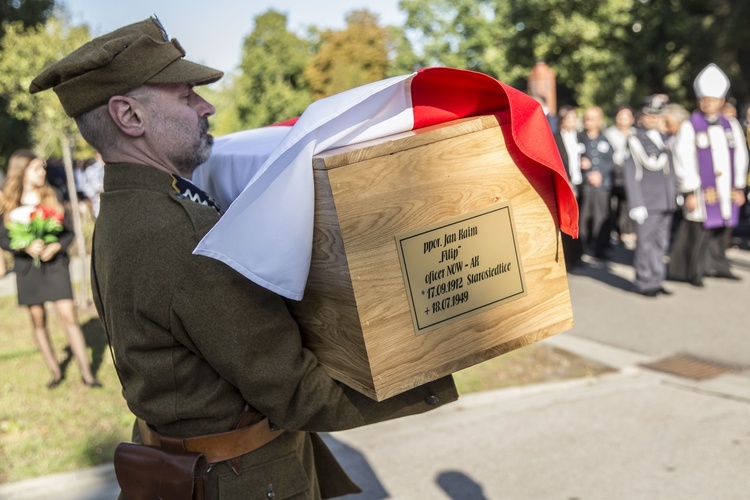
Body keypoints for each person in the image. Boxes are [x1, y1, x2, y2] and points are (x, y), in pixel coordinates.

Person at [30, 17, 457, 498]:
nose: (206, 106)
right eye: (186, 95)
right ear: (130, 117)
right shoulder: (182, 235)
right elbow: (296, 392)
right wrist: (433, 369)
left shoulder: (125, 209)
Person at [0, 150, 101, 389]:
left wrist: (57, 245)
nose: (43, 172)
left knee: (68, 315)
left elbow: (69, 232)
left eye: (43, 167)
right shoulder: (9, 202)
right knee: (38, 319)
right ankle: (55, 371)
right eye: (37, 168)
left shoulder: (52, 195)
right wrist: (23, 246)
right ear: (22, 172)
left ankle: (87, 373)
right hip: (28, 269)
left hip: (56, 264)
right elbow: (3, 238)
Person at [670, 63, 749, 286]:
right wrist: (689, 190)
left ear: (722, 101)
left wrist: (739, 187)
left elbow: (741, 155)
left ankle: (718, 265)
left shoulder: (731, 124)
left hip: (726, 188)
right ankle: (692, 270)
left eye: (713, 100)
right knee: (698, 230)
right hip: (701, 189)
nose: (708, 104)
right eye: (704, 100)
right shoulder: (690, 126)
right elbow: (682, 158)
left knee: (721, 229)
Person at [622, 96, 677, 297]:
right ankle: (644, 281)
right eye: (649, 115)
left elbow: (671, 170)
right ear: (641, 117)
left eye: (656, 115)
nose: (653, 119)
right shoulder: (635, 140)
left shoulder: (664, 139)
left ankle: (657, 278)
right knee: (645, 243)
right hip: (647, 201)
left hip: (665, 200)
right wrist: (636, 203)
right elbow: (630, 173)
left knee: (661, 243)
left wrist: (675, 195)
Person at [578, 106, 615, 259]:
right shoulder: (579, 137)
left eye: (592, 118)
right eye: (586, 118)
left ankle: (600, 247)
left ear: (599, 121)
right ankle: (582, 248)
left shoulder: (605, 139)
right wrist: (586, 171)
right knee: (583, 217)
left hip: (602, 185)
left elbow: (610, 161)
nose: (588, 121)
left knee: (601, 216)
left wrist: (600, 174)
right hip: (585, 185)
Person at [553, 105, 584, 268]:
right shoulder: (556, 138)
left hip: (581, 183)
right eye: (569, 118)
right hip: (567, 184)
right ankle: (569, 258)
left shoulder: (580, 136)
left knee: (580, 220)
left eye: (574, 118)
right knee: (568, 218)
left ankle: (578, 255)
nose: (572, 121)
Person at [604, 105, 637, 250]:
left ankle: (627, 231)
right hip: (614, 170)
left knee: (628, 202)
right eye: (620, 116)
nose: (623, 120)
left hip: (631, 170)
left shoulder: (635, 133)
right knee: (612, 202)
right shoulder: (609, 133)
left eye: (626, 117)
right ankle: (615, 230)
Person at [82, 152, 104, 218]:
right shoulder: (90, 170)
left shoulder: (111, 169)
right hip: (97, 200)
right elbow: (85, 186)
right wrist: (95, 192)